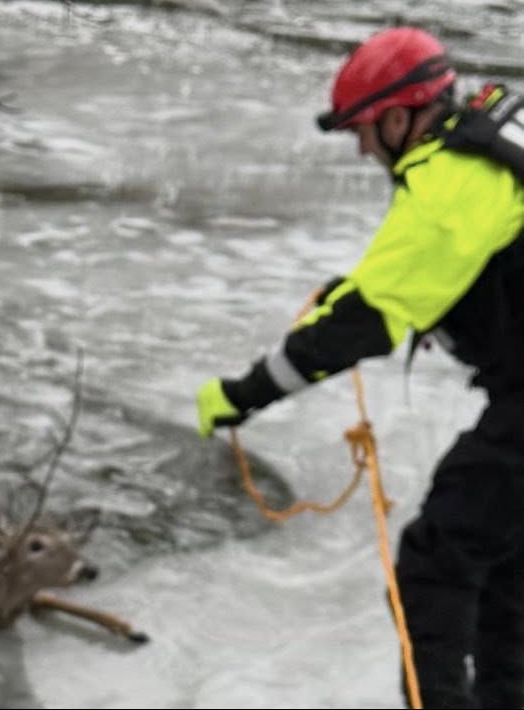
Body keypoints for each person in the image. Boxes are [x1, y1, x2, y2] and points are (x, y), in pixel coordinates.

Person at [195, 25, 524, 709]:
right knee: (502, 562)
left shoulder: (452, 183)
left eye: (364, 130)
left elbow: (364, 322)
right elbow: (417, 273)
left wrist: (241, 395)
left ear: (402, 116)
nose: (361, 147)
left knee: (435, 568)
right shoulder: (496, 130)